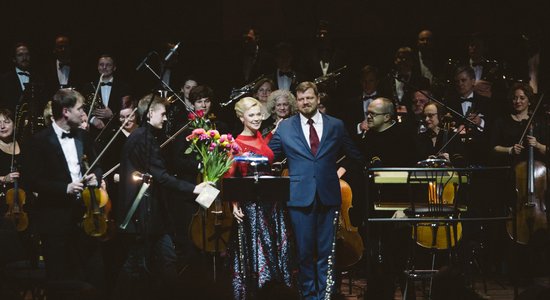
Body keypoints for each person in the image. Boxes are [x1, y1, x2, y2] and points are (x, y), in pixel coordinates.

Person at [268, 82, 364, 300]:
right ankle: (309, 296)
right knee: (303, 252)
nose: (305, 102)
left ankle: (325, 296)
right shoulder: (285, 127)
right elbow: (269, 155)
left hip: (328, 196)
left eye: (309, 98)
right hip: (299, 196)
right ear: (296, 101)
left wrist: (339, 171)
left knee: (326, 252)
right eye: (301, 99)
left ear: (318, 99)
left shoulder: (336, 125)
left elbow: (354, 155)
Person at [115, 94, 208, 300]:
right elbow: (162, 177)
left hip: (153, 215)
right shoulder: (143, 138)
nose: (166, 119)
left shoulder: (144, 136)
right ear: (150, 114)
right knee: (137, 265)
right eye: (163, 114)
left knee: (165, 261)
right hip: (142, 215)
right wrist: (194, 189)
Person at [24, 88, 105, 294]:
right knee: (59, 280)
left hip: (83, 217)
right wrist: (64, 188)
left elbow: (96, 164)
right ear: (66, 112)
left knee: (87, 276)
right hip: (55, 220)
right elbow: (31, 180)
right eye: (80, 109)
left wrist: (96, 175)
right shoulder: (39, 141)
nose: (84, 114)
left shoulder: (83, 137)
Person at [229, 97, 295, 299]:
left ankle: (276, 290)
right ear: (242, 118)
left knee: (275, 247)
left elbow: (264, 151)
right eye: (252, 115)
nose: (257, 118)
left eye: (259, 114)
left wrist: (274, 132)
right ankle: (259, 291)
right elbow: (230, 176)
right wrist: (234, 204)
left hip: (272, 202)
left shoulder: (261, 136)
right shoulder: (236, 144)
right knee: (259, 249)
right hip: (253, 205)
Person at [87, 54, 132, 132]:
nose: (104, 67)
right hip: (94, 130)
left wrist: (112, 115)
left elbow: (128, 109)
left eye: (108, 65)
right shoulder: (89, 86)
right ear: (98, 67)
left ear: (114, 68)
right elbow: (83, 108)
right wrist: (92, 119)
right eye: (101, 65)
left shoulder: (124, 87)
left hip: (116, 129)